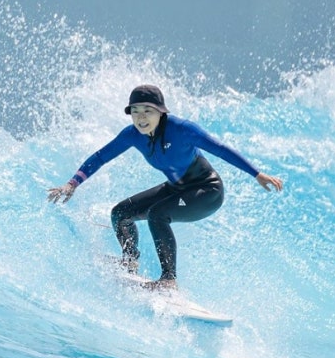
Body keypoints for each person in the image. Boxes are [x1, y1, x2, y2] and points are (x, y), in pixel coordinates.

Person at [47, 84, 283, 288]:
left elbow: (220, 149)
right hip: (176, 188)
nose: (141, 117)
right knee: (120, 213)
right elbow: (101, 156)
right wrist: (72, 183)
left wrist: (256, 174)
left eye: (147, 111)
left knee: (157, 214)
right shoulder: (132, 135)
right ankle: (130, 261)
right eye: (135, 111)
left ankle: (169, 280)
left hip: (206, 191)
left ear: (161, 112)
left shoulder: (182, 129)